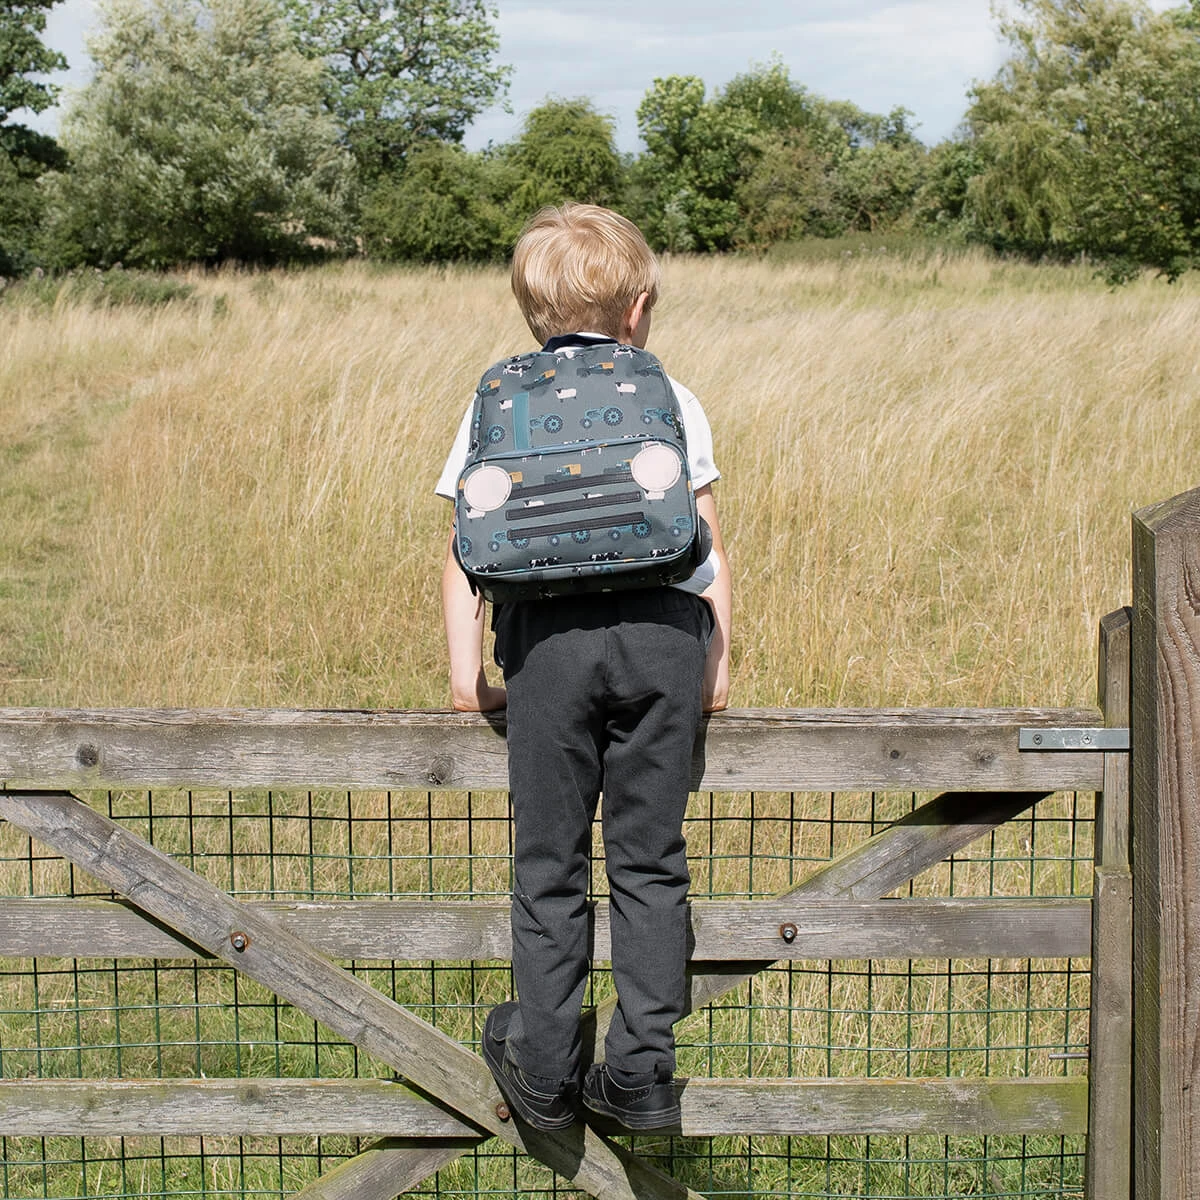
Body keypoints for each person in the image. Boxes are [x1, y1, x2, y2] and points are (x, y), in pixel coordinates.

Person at [436, 203, 732, 1132]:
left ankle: (543, 1064)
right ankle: (641, 1074)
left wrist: (464, 675)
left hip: (546, 648)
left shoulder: (498, 400)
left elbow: (461, 544)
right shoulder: (672, 396)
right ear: (638, 309)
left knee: (549, 862)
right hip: (662, 639)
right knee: (650, 861)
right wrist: (716, 658)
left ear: (530, 310)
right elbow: (706, 537)